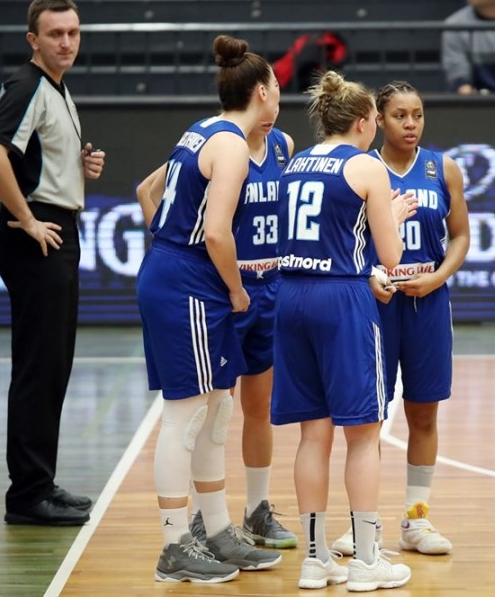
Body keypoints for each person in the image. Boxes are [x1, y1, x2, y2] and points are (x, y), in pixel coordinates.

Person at [134, 34, 283, 583]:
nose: (280, 95)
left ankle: (218, 530)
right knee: (187, 416)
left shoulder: (202, 128)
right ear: (262, 92)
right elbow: (217, 233)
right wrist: (238, 291)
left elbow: (154, 196)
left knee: (217, 409)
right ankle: (174, 545)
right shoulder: (233, 146)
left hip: (182, 271)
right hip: (191, 279)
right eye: (277, 87)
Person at [271, 70, 416, 592]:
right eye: (376, 118)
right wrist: (392, 215)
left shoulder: (295, 164)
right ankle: (366, 560)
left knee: (313, 434)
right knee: (363, 434)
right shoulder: (366, 166)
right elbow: (391, 257)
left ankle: (315, 560)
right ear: (362, 122)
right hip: (340, 300)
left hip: (290, 298)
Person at [0, 0, 104, 527]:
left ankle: (40, 482)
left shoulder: (56, 88)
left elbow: (33, 156)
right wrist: (27, 219)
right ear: (33, 39)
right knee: (38, 366)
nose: (66, 42)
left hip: (57, 228)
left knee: (52, 366)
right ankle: (27, 495)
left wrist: (80, 165)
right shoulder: (27, 85)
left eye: (73, 32)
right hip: (38, 236)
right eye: (55, 33)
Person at [331, 80, 469, 558]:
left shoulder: (442, 168)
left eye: (418, 115)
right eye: (399, 116)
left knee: (424, 413)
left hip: (428, 304)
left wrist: (437, 278)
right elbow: (343, 241)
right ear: (378, 120)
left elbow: (460, 236)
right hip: (375, 306)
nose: (411, 124)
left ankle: (416, 519)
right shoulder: (361, 168)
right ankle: (362, 523)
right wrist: (370, 276)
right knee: (367, 418)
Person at [186, 111, 300, 551]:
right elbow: (151, 191)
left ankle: (257, 511)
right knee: (215, 409)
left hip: (271, 286)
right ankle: (204, 516)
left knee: (259, 406)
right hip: (229, 288)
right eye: (265, 101)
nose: (270, 113)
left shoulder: (283, 145)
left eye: (275, 102)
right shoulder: (218, 144)